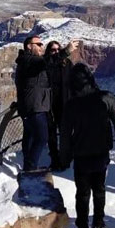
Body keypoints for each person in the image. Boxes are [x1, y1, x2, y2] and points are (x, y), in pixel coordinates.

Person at [59, 63, 115, 228]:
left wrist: (64, 157)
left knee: (82, 192)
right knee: (99, 189)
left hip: (81, 154)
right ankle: (98, 223)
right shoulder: (107, 97)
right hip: (101, 153)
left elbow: (65, 136)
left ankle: (82, 227)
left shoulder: (71, 105)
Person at [14, 35, 53, 172]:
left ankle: (28, 166)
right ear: (29, 46)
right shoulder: (30, 61)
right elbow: (44, 63)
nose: (42, 46)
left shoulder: (27, 60)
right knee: (42, 138)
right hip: (35, 107)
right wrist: (65, 51)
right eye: (39, 44)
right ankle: (31, 169)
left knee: (30, 137)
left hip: (32, 106)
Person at [45, 39, 76, 170]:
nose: (56, 52)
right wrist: (65, 52)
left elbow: (74, 82)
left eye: (58, 49)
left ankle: (65, 160)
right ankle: (54, 159)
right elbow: (49, 64)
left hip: (65, 106)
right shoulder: (46, 63)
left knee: (65, 135)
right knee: (51, 135)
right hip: (49, 106)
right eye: (53, 50)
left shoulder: (67, 64)